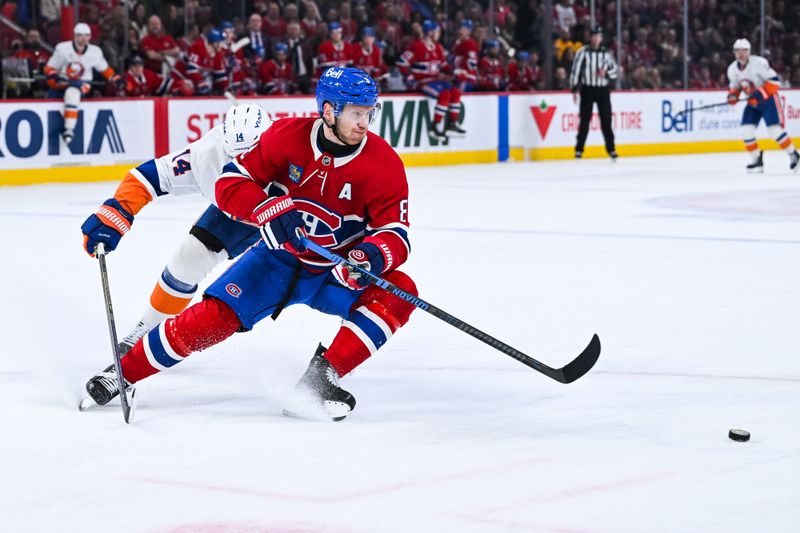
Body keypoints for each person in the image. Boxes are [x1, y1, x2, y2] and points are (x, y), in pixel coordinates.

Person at [83, 68, 417, 422]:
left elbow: (397, 232)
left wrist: (370, 256)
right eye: (356, 113)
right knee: (210, 315)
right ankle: (123, 373)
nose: (365, 122)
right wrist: (266, 210)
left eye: (369, 112)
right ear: (329, 110)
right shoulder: (285, 136)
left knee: (400, 290)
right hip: (276, 259)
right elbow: (231, 180)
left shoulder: (384, 165)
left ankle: (320, 380)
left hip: (333, 272)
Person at [80, 104, 271, 355]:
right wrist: (117, 213)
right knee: (188, 260)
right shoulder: (205, 155)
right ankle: (149, 330)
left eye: (248, 156)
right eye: (234, 157)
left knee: (329, 281)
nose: (242, 166)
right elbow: (147, 177)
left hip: (301, 222)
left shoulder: (296, 148)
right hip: (238, 214)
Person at [726, 39, 800, 172]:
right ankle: (757, 160)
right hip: (752, 103)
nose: (741, 53)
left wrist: (759, 95)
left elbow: (775, 82)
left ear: (749, 51)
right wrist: (733, 96)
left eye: (744, 50)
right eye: (738, 50)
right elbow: (735, 88)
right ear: (734, 52)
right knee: (746, 131)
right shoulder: (732, 69)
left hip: (769, 100)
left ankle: (793, 154)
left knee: (774, 132)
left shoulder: (759, 63)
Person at [44, 23, 120, 144]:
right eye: (79, 35)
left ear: (90, 37)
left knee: (72, 93)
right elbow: (49, 68)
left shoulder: (95, 52)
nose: (83, 39)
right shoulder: (62, 49)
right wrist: (54, 75)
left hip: (83, 84)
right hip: (64, 82)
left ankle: (69, 129)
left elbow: (105, 70)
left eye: (86, 36)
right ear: (74, 36)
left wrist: (115, 79)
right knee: (52, 97)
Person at [398, 20, 465, 142]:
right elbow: (402, 62)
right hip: (423, 82)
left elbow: (443, 65)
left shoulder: (438, 48)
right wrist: (410, 78)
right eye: (437, 31)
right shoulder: (417, 47)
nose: (439, 34)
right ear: (430, 33)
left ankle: (452, 124)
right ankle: (434, 126)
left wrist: (455, 71)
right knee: (445, 94)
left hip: (436, 80)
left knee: (456, 92)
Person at [569, 26, 618, 160]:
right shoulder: (582, 52)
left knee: (606, 120)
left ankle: (611, 149)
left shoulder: (607, 53)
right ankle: (579, 149)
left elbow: (615, 70)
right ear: (590, 37)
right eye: (594, 36)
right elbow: (576, 71)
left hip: (603, 90)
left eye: (599, 36)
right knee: (584, 120)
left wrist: (606, 73)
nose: (596, 39)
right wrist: (574, 89)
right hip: (587, 89)